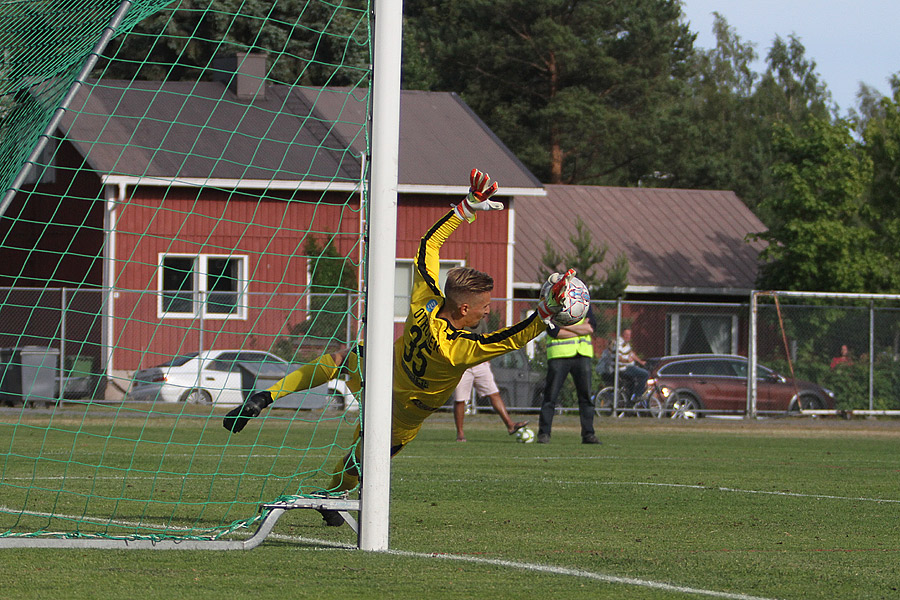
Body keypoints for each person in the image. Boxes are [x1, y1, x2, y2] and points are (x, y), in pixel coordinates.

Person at [223, 168, 569, 526]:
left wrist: (465, 208)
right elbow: (512, 337)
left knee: (343, 357)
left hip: (376, 376)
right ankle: (333, 496)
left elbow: (427, 245)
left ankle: (268, 397)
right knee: (362, 459)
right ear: (465, 309)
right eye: (484, 306)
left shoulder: (426, 304)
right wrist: (546, 311)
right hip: (401, 414)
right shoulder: (460, 348)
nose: (487, 311)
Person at [537, 307, 600, 445]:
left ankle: (588, 434)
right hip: (559, 355)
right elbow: (554, 331)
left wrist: (567, 326)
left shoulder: (583, 306)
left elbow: (590, 328)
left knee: (586, 397)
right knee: (550, 396)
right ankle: (544, 433)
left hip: (582, 355)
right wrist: (579, 329)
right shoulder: (552, 306)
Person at [453, 357, 529, 442]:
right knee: (460, 399)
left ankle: (510, 425)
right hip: (462, 365)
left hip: (480, 363)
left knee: (494, 393)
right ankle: (460, 434)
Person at [611, 328, 649, 400]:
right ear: (623, 335)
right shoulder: (619, 343)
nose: (628, 336)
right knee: (645, 374)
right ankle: (638, 395)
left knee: (633, 382)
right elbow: (618, 357)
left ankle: (629, 401)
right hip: (623, 368)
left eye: (629, 335)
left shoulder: (626, 344)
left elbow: (631, 354)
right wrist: (626, 360)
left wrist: (641, 362)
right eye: (626, 334)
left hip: (627, 367)